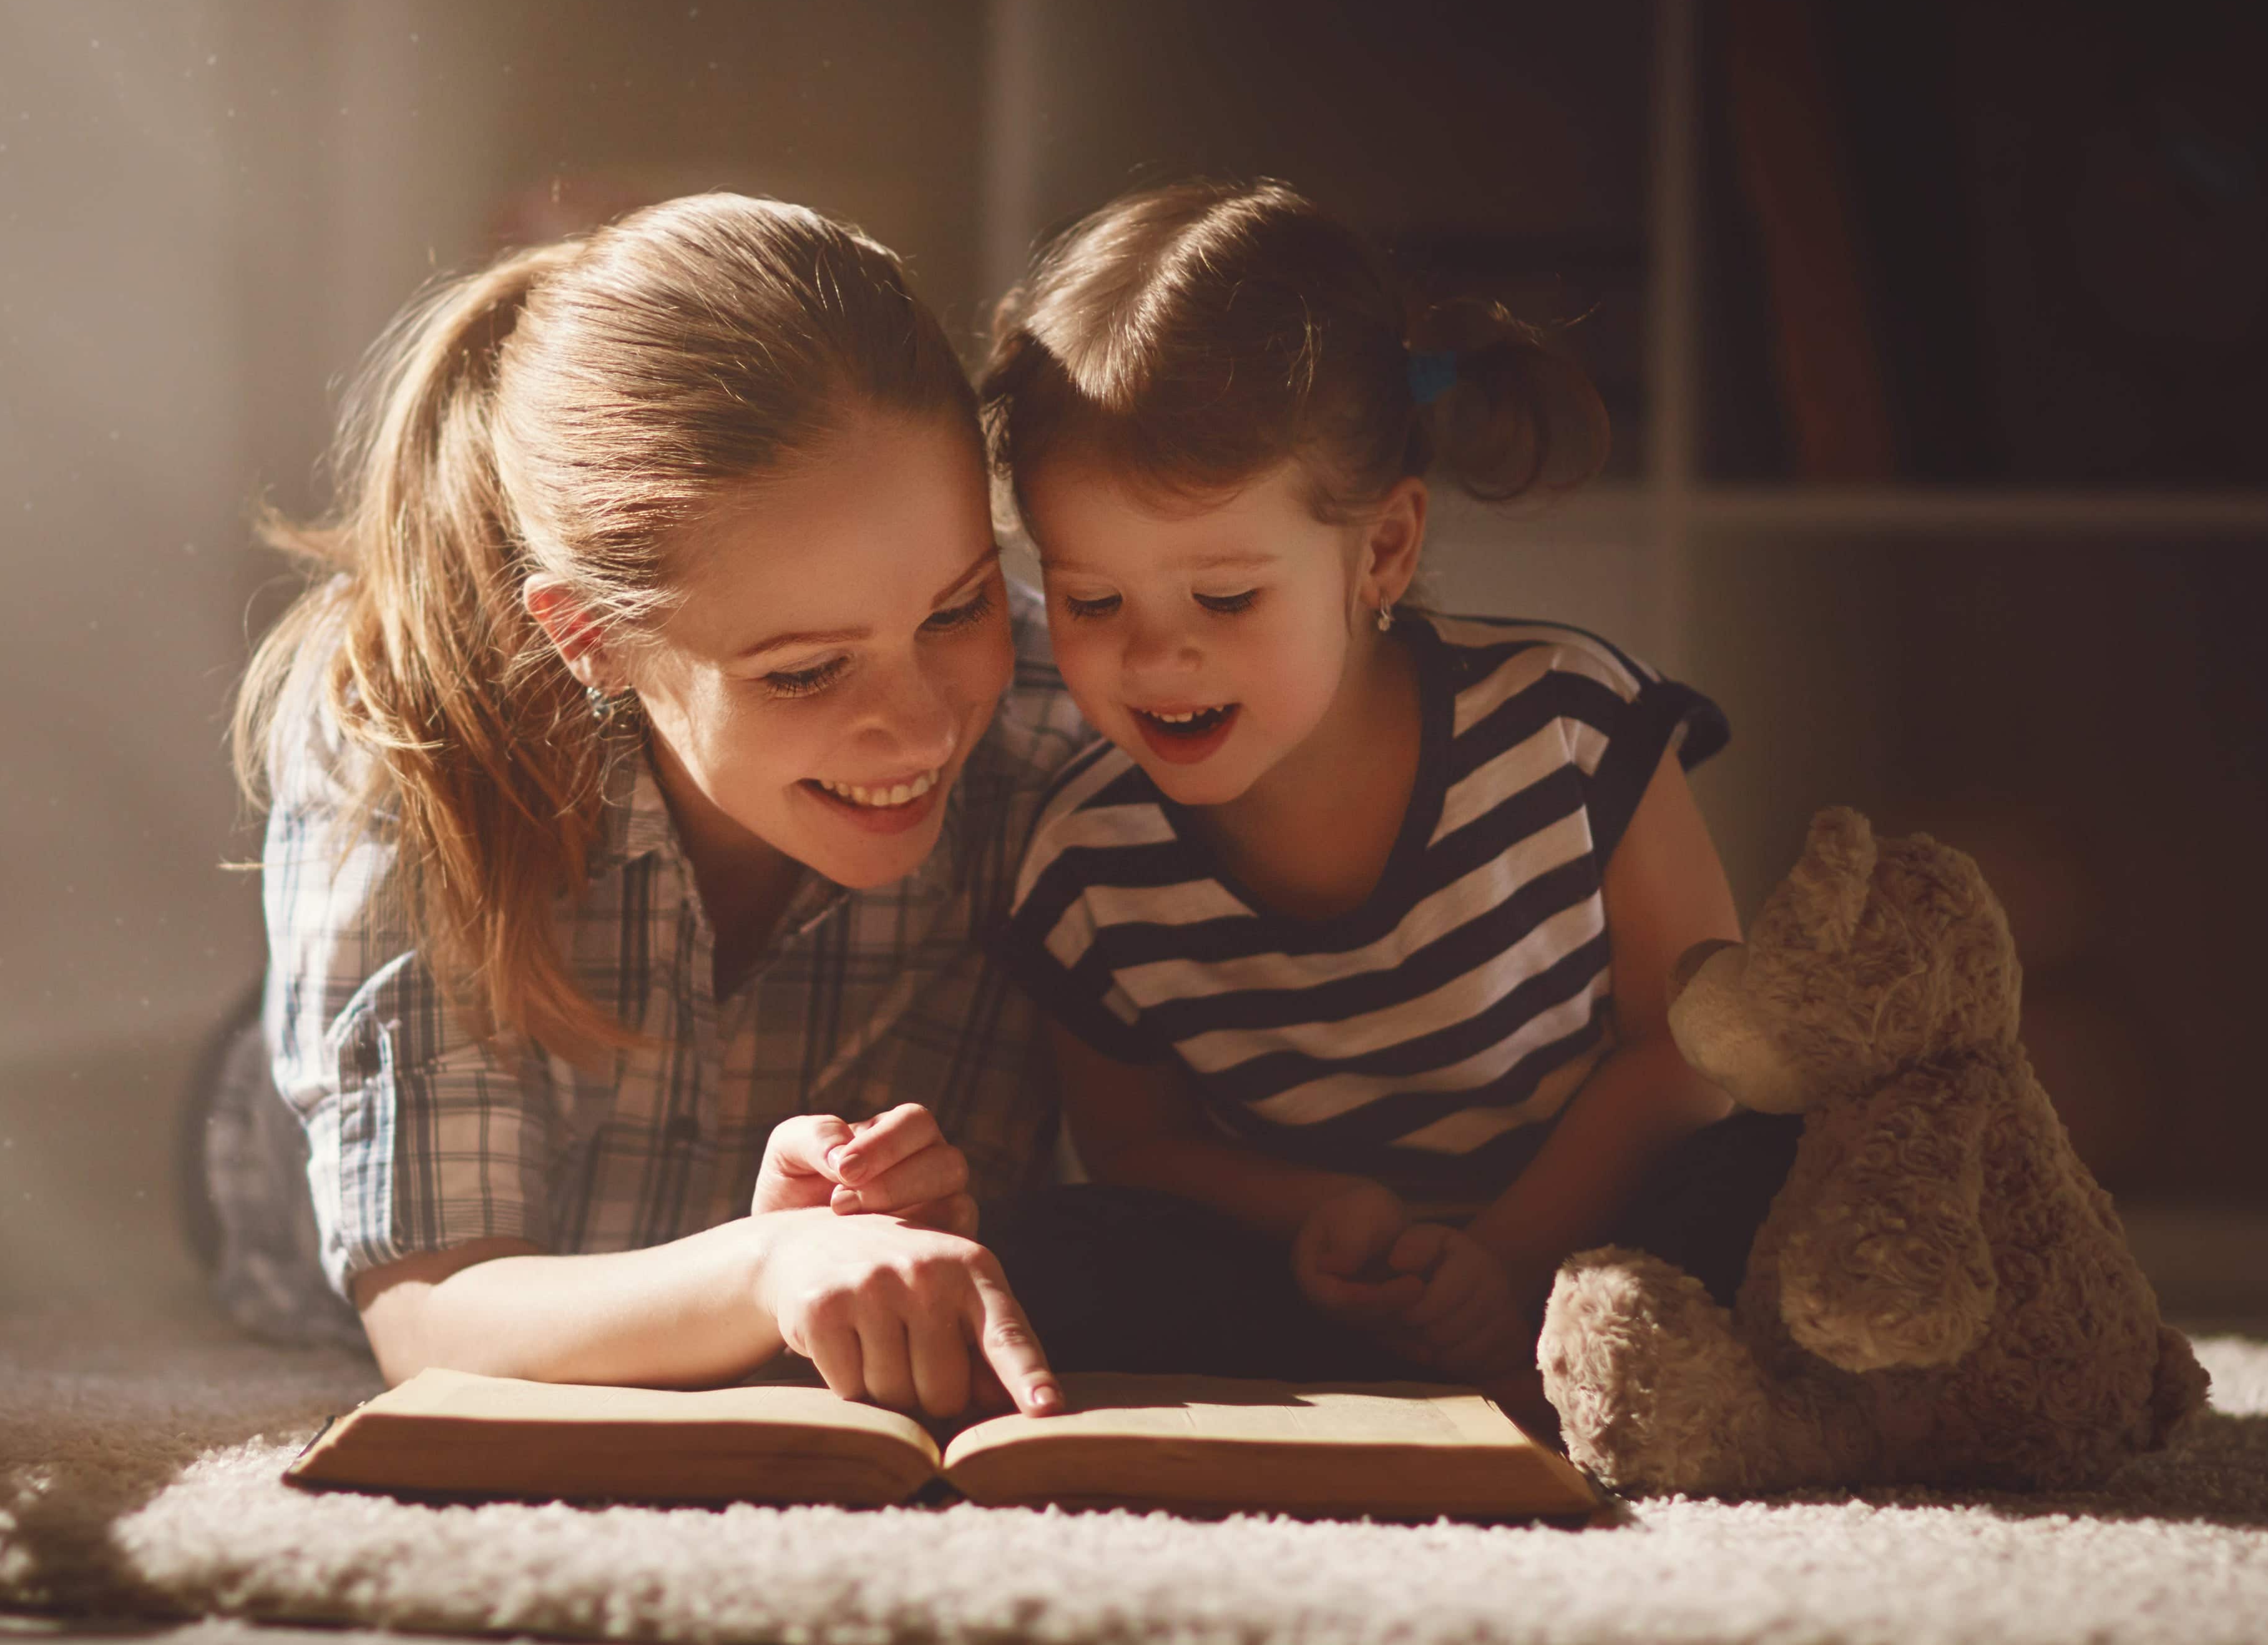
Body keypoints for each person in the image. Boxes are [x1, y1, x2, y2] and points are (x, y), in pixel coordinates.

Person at [232, 194, 1082, 1423]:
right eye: (804, 669)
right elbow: (426, 1307)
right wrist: (765, 1266)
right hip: (293, 1176)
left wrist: (876, 1221)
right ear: (590, 638)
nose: (926, 724)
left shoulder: (1054, 728)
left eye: (959, 608)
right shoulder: (398, 738)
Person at [977, 179, 1774, 1401]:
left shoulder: (1567, 724)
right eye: (1092, 602)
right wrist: (1319, 1214)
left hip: (1595, 1222)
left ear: (1382, 550)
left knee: (1786, 1167)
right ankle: (1396, 1354)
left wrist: (1506, 1260)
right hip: (1308, 1273)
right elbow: (1137, 1146)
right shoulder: (1084, 858)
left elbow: (1691, 1046)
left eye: (1226, 598)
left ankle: (1594, 1350)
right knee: (1041, 1253)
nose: (1153, 656)